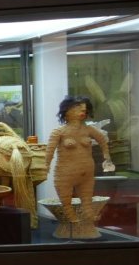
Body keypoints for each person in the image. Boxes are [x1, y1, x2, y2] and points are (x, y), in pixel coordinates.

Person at [45, 95, 114, 229]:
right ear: (66, 110)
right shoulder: (59, 132)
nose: (82, 111)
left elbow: (102, 139)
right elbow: (50, 150)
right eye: (78, 108)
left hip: (87, 173)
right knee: (66, 201)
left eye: (84, 109)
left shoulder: (88, 130)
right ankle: (72, 218)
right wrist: (46, 166)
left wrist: (106, 154)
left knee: (87, 200)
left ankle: (88, 216)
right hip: (65, 174)